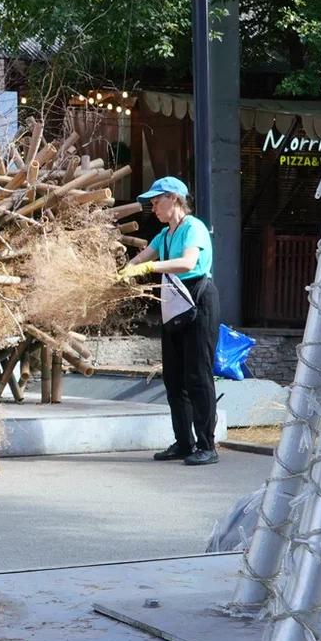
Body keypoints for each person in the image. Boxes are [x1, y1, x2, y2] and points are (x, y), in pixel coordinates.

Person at [120, 176, 220, 466]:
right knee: (174, 377)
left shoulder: (194, 228)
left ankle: (206, 445)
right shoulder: (163, 236)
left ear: (174, 198)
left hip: (199, 298)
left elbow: (188, 263)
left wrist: (151, 266)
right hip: (174, 300)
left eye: (156, 201)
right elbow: (140, 259)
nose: (153, 207)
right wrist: (124, 271)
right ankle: (184, 443)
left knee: (198, 375)